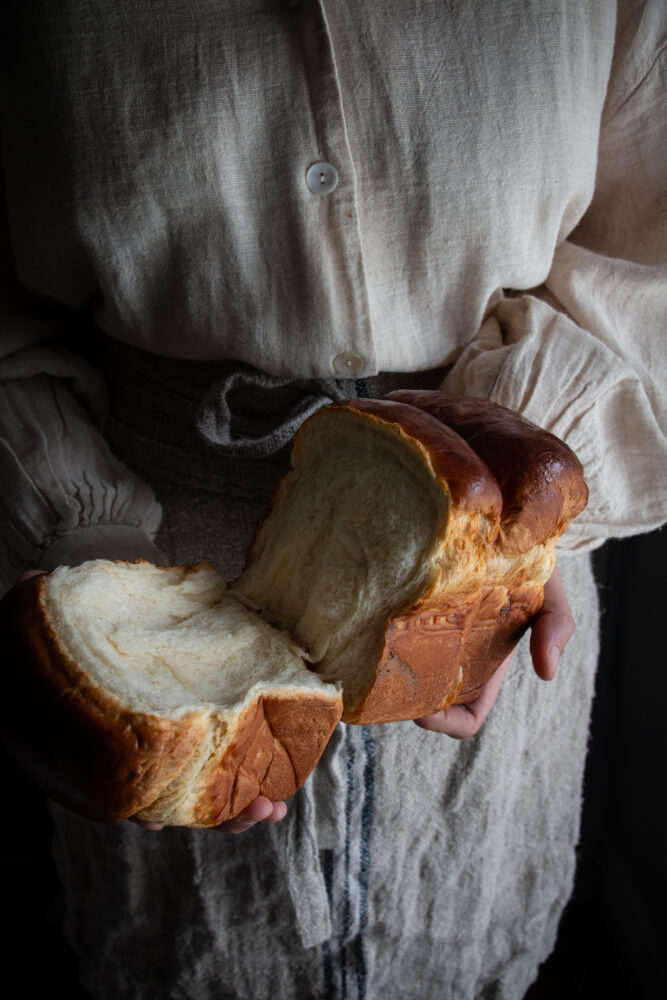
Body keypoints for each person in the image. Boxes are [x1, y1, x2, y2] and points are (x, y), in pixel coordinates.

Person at [1, 2, 665, 998]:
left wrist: (512, 515)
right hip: (131, 560)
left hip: (504, 552)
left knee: (466, 950)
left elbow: (649, 238)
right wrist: (76, 532)